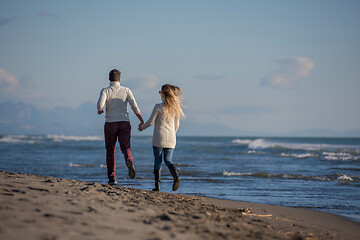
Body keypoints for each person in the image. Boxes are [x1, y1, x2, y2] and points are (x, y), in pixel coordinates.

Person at [97, 69, 144, 185]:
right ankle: (129, 159)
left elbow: (100, 104)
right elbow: (134, 106)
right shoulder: (126, 90)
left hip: (110, 123)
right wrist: (141, 120)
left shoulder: (105, 90)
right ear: (119, 79)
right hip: (124, 122)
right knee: (126, 147)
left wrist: (100, 110)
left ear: (109, 79)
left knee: (110, 150)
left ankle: (112, 178)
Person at [139, 84, 185, 192]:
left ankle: (157, 186)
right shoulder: (175, 109)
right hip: (171, 138)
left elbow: (150, 122)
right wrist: (172, 134)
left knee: (158, 161)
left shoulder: (158, 107)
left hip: (159, 137)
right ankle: (176, 177)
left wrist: (142, 127)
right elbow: (177, 125)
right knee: (168, 159)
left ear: (163, 94)